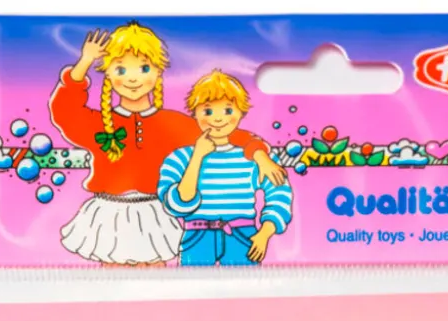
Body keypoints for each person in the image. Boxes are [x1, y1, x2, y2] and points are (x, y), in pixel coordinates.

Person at [48, 24, 286, 267]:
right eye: (121, 69)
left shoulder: (174, 123)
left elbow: (225, 134)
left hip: (154, 211)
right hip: (109, 212)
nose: (132, 78)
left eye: (144, 68)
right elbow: (64, 112)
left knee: (158, 276)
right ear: (107, 73)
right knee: (110, 273)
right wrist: (85, 62)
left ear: (157, 72)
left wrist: (259, 154)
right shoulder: (97, 123)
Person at [159, 71, 293, 266]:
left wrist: (265, 233)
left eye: (228, 111)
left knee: (249, 284)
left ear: (240, 112)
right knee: (191, 283)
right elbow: (177, 205)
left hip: (242, 235)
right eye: (208, 111)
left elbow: (279, 194)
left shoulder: (256, 158)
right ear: (194, 113)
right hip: (196, 237)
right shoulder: (179, 159)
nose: (218, 119)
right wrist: (197, 157)